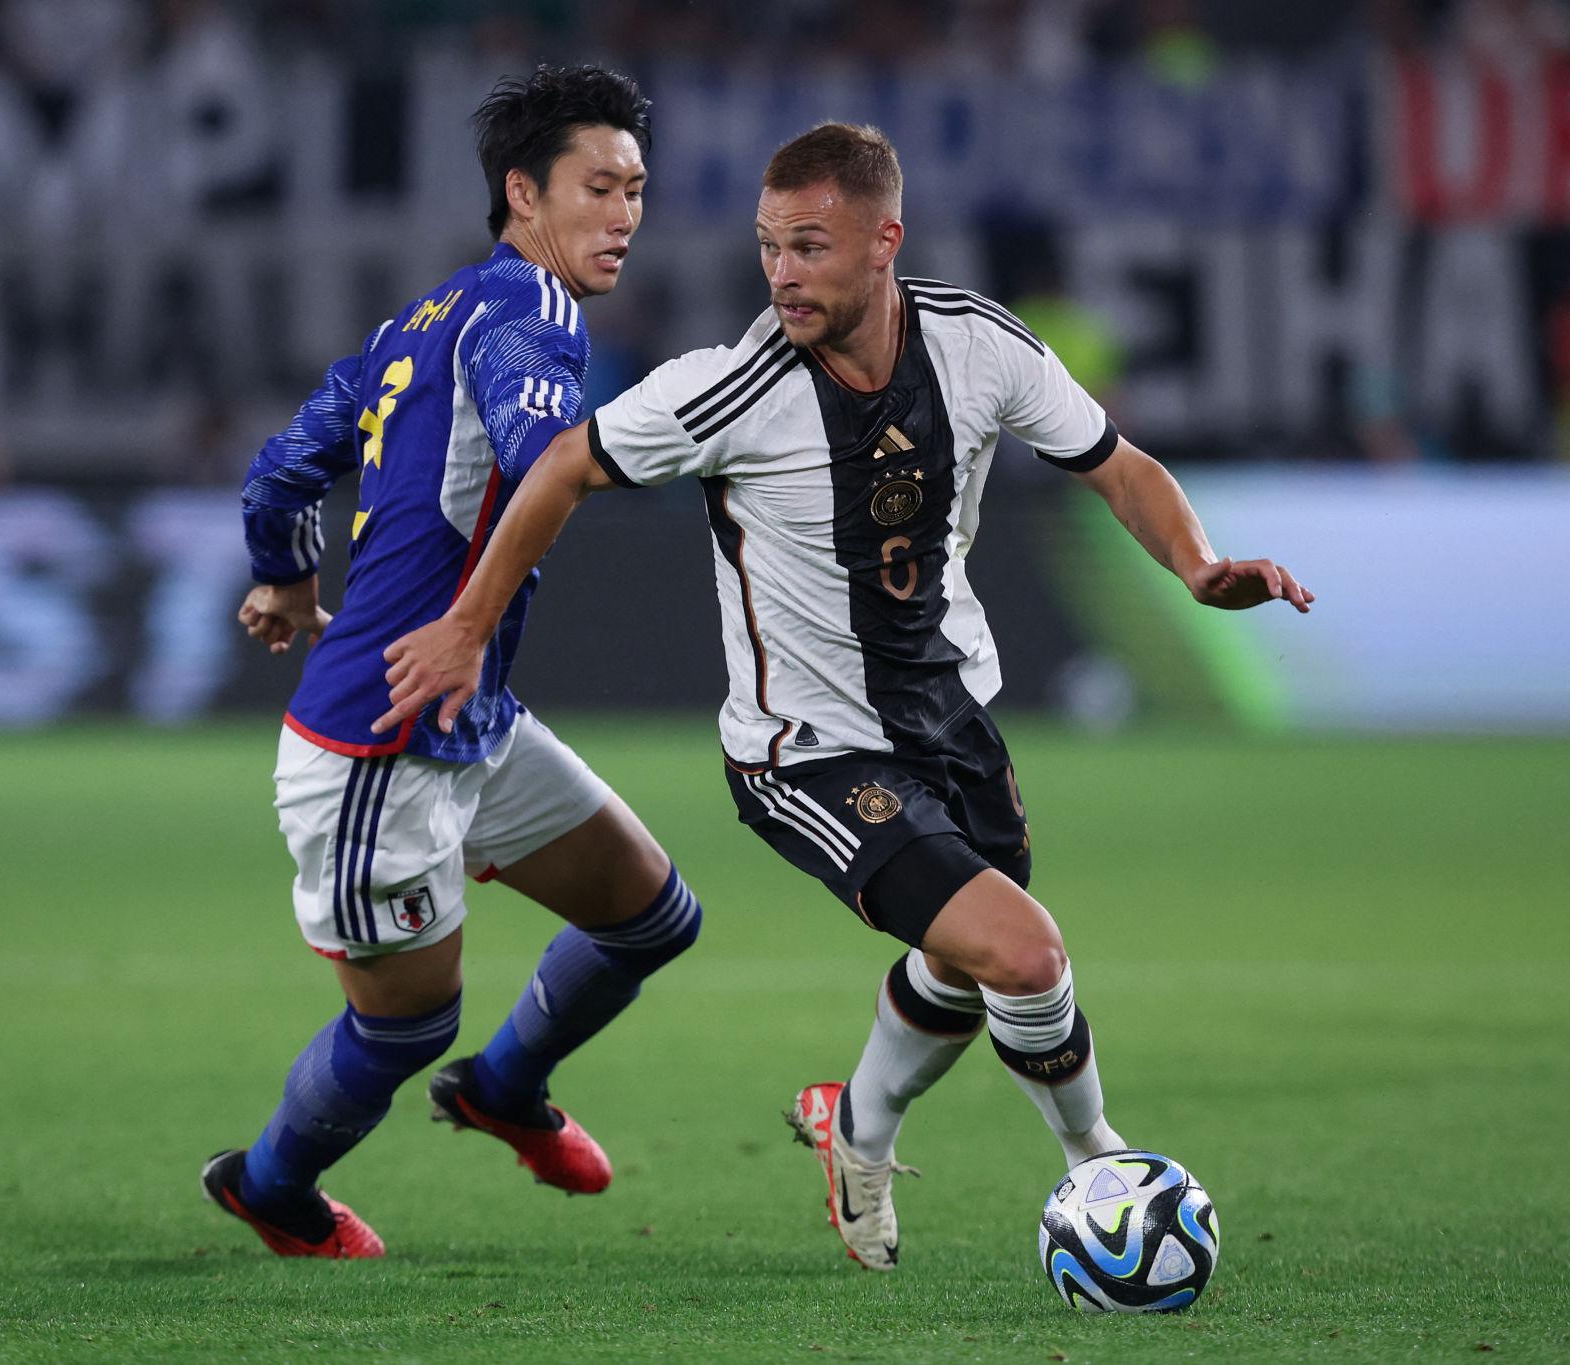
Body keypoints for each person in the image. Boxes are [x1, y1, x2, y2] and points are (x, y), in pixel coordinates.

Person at [376, 122, 1313, 1272]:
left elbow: (1115, 465)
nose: (781, 274)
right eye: (767, 247)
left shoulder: (975, 344)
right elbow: (565, 465)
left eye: (808, 248)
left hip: (950, 718)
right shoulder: (729, 387)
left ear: (883, 242)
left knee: (964, 966)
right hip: (805, 755)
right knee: (1022, 957)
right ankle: (1099, 1166)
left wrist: (1196, 566)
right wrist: (467, 625)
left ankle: (855, 1131)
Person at [208, 65, 704, 1260]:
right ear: (521, 192)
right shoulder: (529, 318)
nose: (624, 215)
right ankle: (269, 1187)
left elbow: (282, 466)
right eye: (598, 187)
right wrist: (467, 625)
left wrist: (286, 573)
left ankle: (503, 1089)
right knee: (404, 1026)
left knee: (649, 916)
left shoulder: (421, 322)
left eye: (636, 189)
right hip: (378, 741)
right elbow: (553, 468)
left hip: (465, 718)